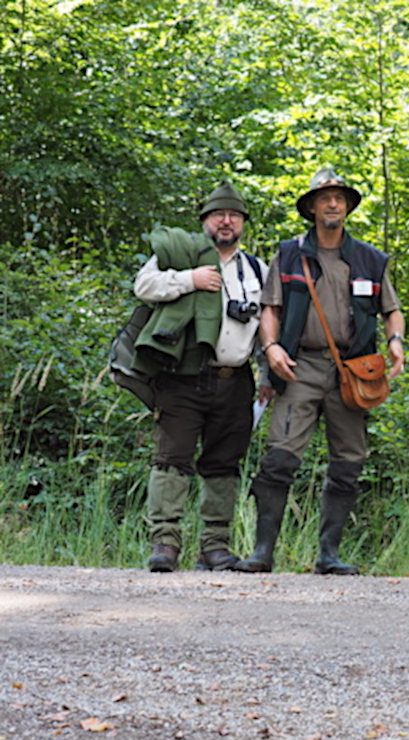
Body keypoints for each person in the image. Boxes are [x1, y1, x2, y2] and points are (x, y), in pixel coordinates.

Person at [234, 168, 405, 575]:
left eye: (340, 198)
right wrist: (271, 347)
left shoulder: (370, 259)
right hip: (300, 366)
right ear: (311, 207)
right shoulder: (289, 254)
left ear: (347, 207)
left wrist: (396, 342)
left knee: (349, 461)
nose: (333, 204)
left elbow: (392, 311)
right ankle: (262, 552)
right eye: (325, 198)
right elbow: (270, 308)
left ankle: (329, 555)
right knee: (280, 458)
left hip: (352, 371)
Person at [135, 181, 268, 572]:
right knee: (170, 461)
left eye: (234, 216)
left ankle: (215, 546)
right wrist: (189, 280)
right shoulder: (181, 254)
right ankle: (164, 543)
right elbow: (143, 286)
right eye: (218, 215)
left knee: (223, 464)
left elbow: (266, 326)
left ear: (243, 223)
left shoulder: (257, 268)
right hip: (182, 376)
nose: (226, 222)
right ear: (204, 221)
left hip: (235, 379)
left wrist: (267, 375)